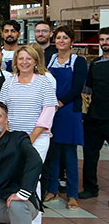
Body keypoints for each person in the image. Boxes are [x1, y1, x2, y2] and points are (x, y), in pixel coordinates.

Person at [0, 46, 57, 224]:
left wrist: (29, 139)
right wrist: (7, 135)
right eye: (21, 58)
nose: (24, 62)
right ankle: (12, 220)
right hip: (12, 138)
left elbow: (48, 111)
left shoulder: (44, 83)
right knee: (12, 176)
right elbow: (2, 111)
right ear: (15, 61)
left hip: (37, 139)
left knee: (32, 179)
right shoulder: (8, 83)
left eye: (28, 59)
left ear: (35, 62)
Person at [43, 26, 86, 209]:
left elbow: (77, 88)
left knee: (69, 155)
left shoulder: (79, 61)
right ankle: (52, 190)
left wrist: (58, 103)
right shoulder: (49, 59)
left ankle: (72, 194)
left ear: (71, 41)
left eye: (65, 38)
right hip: (51, 110)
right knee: (52, 153)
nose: (61, 41)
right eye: (58, 38)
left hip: (68, 111)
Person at [80, 27, 109, 199]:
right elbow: (87, 91)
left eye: (107, 39)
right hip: (94, 117)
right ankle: (90, 188)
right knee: (90, 156)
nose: (105, 43)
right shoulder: (95, 64)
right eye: (103, 40)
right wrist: (85, 114)